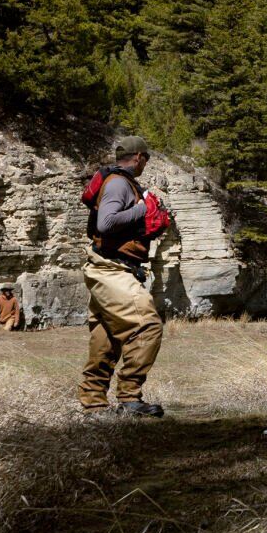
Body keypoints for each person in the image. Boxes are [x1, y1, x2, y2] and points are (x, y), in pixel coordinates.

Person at [78, 135, 173, 417]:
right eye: (146, 159)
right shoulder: (119, 183)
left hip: (110, 267)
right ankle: (130, 398)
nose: (145, 163)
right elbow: (106, 223)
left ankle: (94, 406)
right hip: (111, 269)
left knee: (106, 340)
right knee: (147, 326)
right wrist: (145, 209)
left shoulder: (119, 181)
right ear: (139, 157)